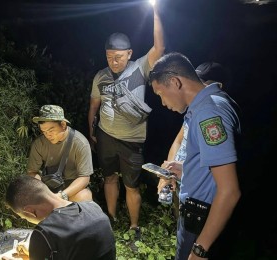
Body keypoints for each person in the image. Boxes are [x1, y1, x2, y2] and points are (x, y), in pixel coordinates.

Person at [149, 52, 241, 260]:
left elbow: (229, 191)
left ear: (175, 82)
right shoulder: (207, 105)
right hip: (197, 214)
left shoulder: (209, 113)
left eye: (161, 94)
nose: (163, 103)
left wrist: (200, 249)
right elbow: (215, 167)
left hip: (203, 220)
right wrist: (186, 170)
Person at [87, 1, 165, 238]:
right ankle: (110, 219)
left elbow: (160, 48)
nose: (114, 61)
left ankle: (134, 226)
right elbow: (93, 106)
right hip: (106, 136)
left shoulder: (140, 68)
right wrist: (91, 133)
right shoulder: (100, 76)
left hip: (132, 141)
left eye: (119, 56)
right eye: (110, 56)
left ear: (129, 54)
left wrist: (156, 10)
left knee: (131, 185)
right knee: (110, 178)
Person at [160, 61, 230, 219]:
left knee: (194, 228)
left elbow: (221, 177)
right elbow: (178, 141)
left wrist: (186, 170)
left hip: (197, 190)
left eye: (202, 84)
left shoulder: (213, 115)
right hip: (179, 179)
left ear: (217, 86)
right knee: (181, 219)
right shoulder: (193, 111)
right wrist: (168, 172)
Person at [5, 175, 116, 260]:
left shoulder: (45, 233)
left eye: (24, 217)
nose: (26, 220)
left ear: (30, 211)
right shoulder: (93, 207)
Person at [27, 105, 93, 202]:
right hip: (48, 186)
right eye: (44, 131)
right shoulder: (39, 144)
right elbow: (32, 172)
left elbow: (84, 178)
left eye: (51, 130)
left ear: (63, 124)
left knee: (84, 196)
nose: (48, 135)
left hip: (72, 187)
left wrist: (62, 195)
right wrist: (43, 192)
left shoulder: (80, 143)